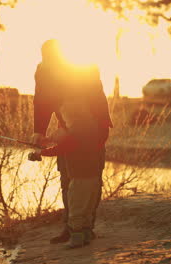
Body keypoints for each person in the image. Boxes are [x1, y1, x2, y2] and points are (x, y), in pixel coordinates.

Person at [30, 39, 113, 248]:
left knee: (90, 179)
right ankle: (73, 227)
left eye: (51, 59)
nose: (47, 62)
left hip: (92, 125)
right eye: (45, 58)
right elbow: (41, 102)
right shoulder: (43, 71)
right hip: (70, 125)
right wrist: (39, 132)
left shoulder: (85, 69)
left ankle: (84, 228)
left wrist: (92, 132)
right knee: (69, 178)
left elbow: (96, 101)